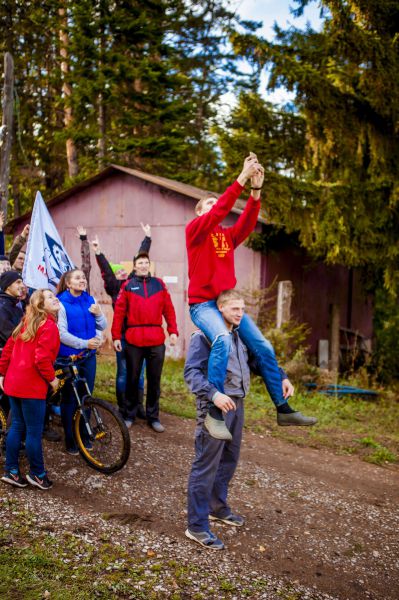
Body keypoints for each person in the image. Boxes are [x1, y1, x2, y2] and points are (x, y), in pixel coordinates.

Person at [186, 153, 316, 440]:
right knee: (221, 340)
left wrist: (255, 190)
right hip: (203, 305)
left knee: (263, 346)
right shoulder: (195, 231)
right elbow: (220, 209)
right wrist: (241, 178)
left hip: (227, 304)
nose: (215, 207)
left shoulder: (225, 237)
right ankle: (214, 412)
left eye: (214, 203)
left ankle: (283, 408)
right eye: (208, 205)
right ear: (199, 213)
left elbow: (245, 223)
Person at [184, 289, 294, 549]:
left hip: (237, 405)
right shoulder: (206, 336)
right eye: (235, 309)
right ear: (220, 309)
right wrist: (214, 395)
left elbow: (257, 362)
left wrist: (281, 376)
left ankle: (216, 507)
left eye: (243, 309)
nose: (240, 313)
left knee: (229, 460)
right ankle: (197, 526)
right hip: (215, 406)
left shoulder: (239, 336)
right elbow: (191, 373)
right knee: (206, 463)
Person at [0, 289, 61, 490]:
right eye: (50, 297)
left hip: (14, 383)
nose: (55, 298)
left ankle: (11, 471)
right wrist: (52, 379)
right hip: (31, 386)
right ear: (41, 305)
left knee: (17, 426)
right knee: (33, 431)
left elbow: (8, 349)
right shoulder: (49, 327)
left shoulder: (26, 323)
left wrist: (2, 374)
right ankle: (38, 474)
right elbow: (42, 359)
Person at [111, 250, 178, 432]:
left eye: (145, 262)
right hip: (134, 340)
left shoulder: (160, 285)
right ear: (134, 266)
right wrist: (116, 336)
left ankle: (153, 417)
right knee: (132, 379)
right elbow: (119, 313)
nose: (143, 265)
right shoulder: (127, 286)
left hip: (156, 339)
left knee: (154, 380)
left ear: (149, 265)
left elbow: (169, 309)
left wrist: (173, 330)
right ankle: (129, 414)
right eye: (139, 263)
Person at [90, 223, 152, 418]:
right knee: (124, 373)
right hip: (123, 337)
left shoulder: (135, 282)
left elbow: (139, 261)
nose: (122, 274)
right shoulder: (115, 288)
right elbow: (107, 271)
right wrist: (98, 252)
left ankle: (138, 406)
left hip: (140, 335)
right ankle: (123, 407)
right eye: (118, 273)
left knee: (140, 375)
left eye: (124, 272)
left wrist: (147, 239)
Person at [57, 269, 107, 454]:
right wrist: (85, 343)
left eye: (84, 277)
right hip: (69, 358)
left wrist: (99, 318)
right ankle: (71, 440)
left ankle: (84, 435)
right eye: (78, 278)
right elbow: (61, 334)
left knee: (86, 396)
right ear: (68, 283)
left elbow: (101, 326)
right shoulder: (61, 303)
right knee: (70, 398)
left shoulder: (90, 300)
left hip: (88, 357)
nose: (82, 280)